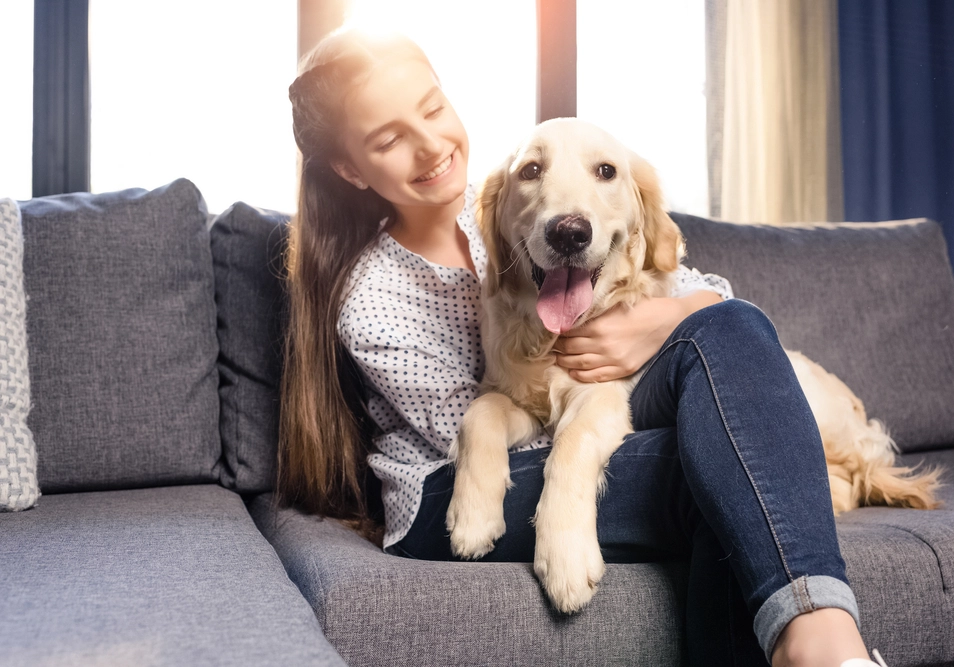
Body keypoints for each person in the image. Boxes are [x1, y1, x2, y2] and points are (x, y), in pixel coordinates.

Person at [276, 25, 888, 667]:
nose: (430, 144)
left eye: (431, 108)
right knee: (726, 465)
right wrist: (602, 415)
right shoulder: (376, 291)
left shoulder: (521, 203)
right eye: (389, 138)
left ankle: (826, 651)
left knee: (733, 327)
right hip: (451, 487)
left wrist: (654, 322)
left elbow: (719, 307)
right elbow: (473, 430)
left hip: (592, 423)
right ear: (350, 167)